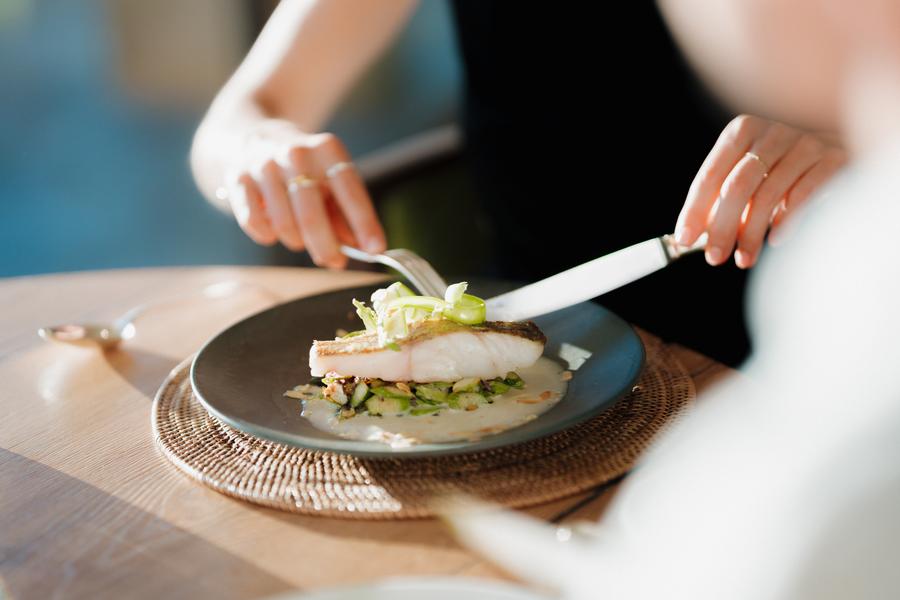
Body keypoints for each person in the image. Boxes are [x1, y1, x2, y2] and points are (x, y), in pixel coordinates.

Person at [448, 1, 900, 597]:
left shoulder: (851, 280)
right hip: (531, 321)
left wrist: (845, 134)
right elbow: (277, 98)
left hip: (734, 335)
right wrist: (277, 128)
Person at [191, 1, 845, 366]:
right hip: (546, 353)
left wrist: (860, 155)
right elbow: (240, 116)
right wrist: (255, 152)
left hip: (810, 345)